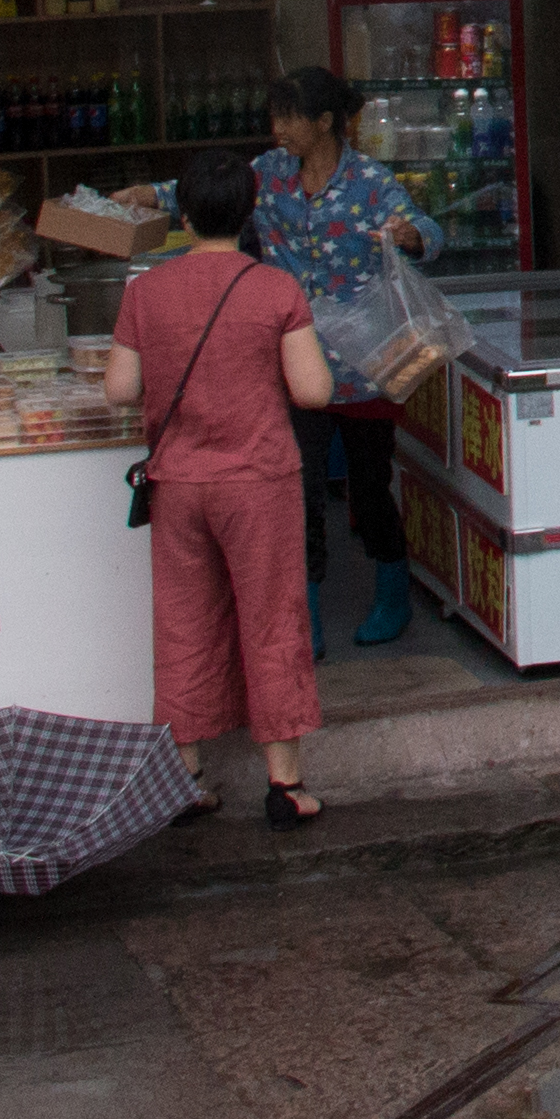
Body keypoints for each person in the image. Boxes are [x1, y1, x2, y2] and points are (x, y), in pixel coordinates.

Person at [102, 150, 336, 825]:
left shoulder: (145, 292)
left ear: (181, 215)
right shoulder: (275, 291)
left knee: (183, 627)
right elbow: (313, 391)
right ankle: (285, 786)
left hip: (178, 485)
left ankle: (187, 780)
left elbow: (120, 388)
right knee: (272, 622)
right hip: (258, 483)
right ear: (248, 213)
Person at [255, 68, 439, 649]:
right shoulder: (268, 176)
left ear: (325, 121)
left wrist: (407, 233)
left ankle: (393, 595)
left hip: (364, 369)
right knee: (300, 490)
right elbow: (207, 191)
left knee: (367, 489)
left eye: (290, 117)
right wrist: (148, 196)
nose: (278, 129)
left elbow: (427, 230)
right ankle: (304, 613)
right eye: (275, 116)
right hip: (296, 366)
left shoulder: (369, 181)